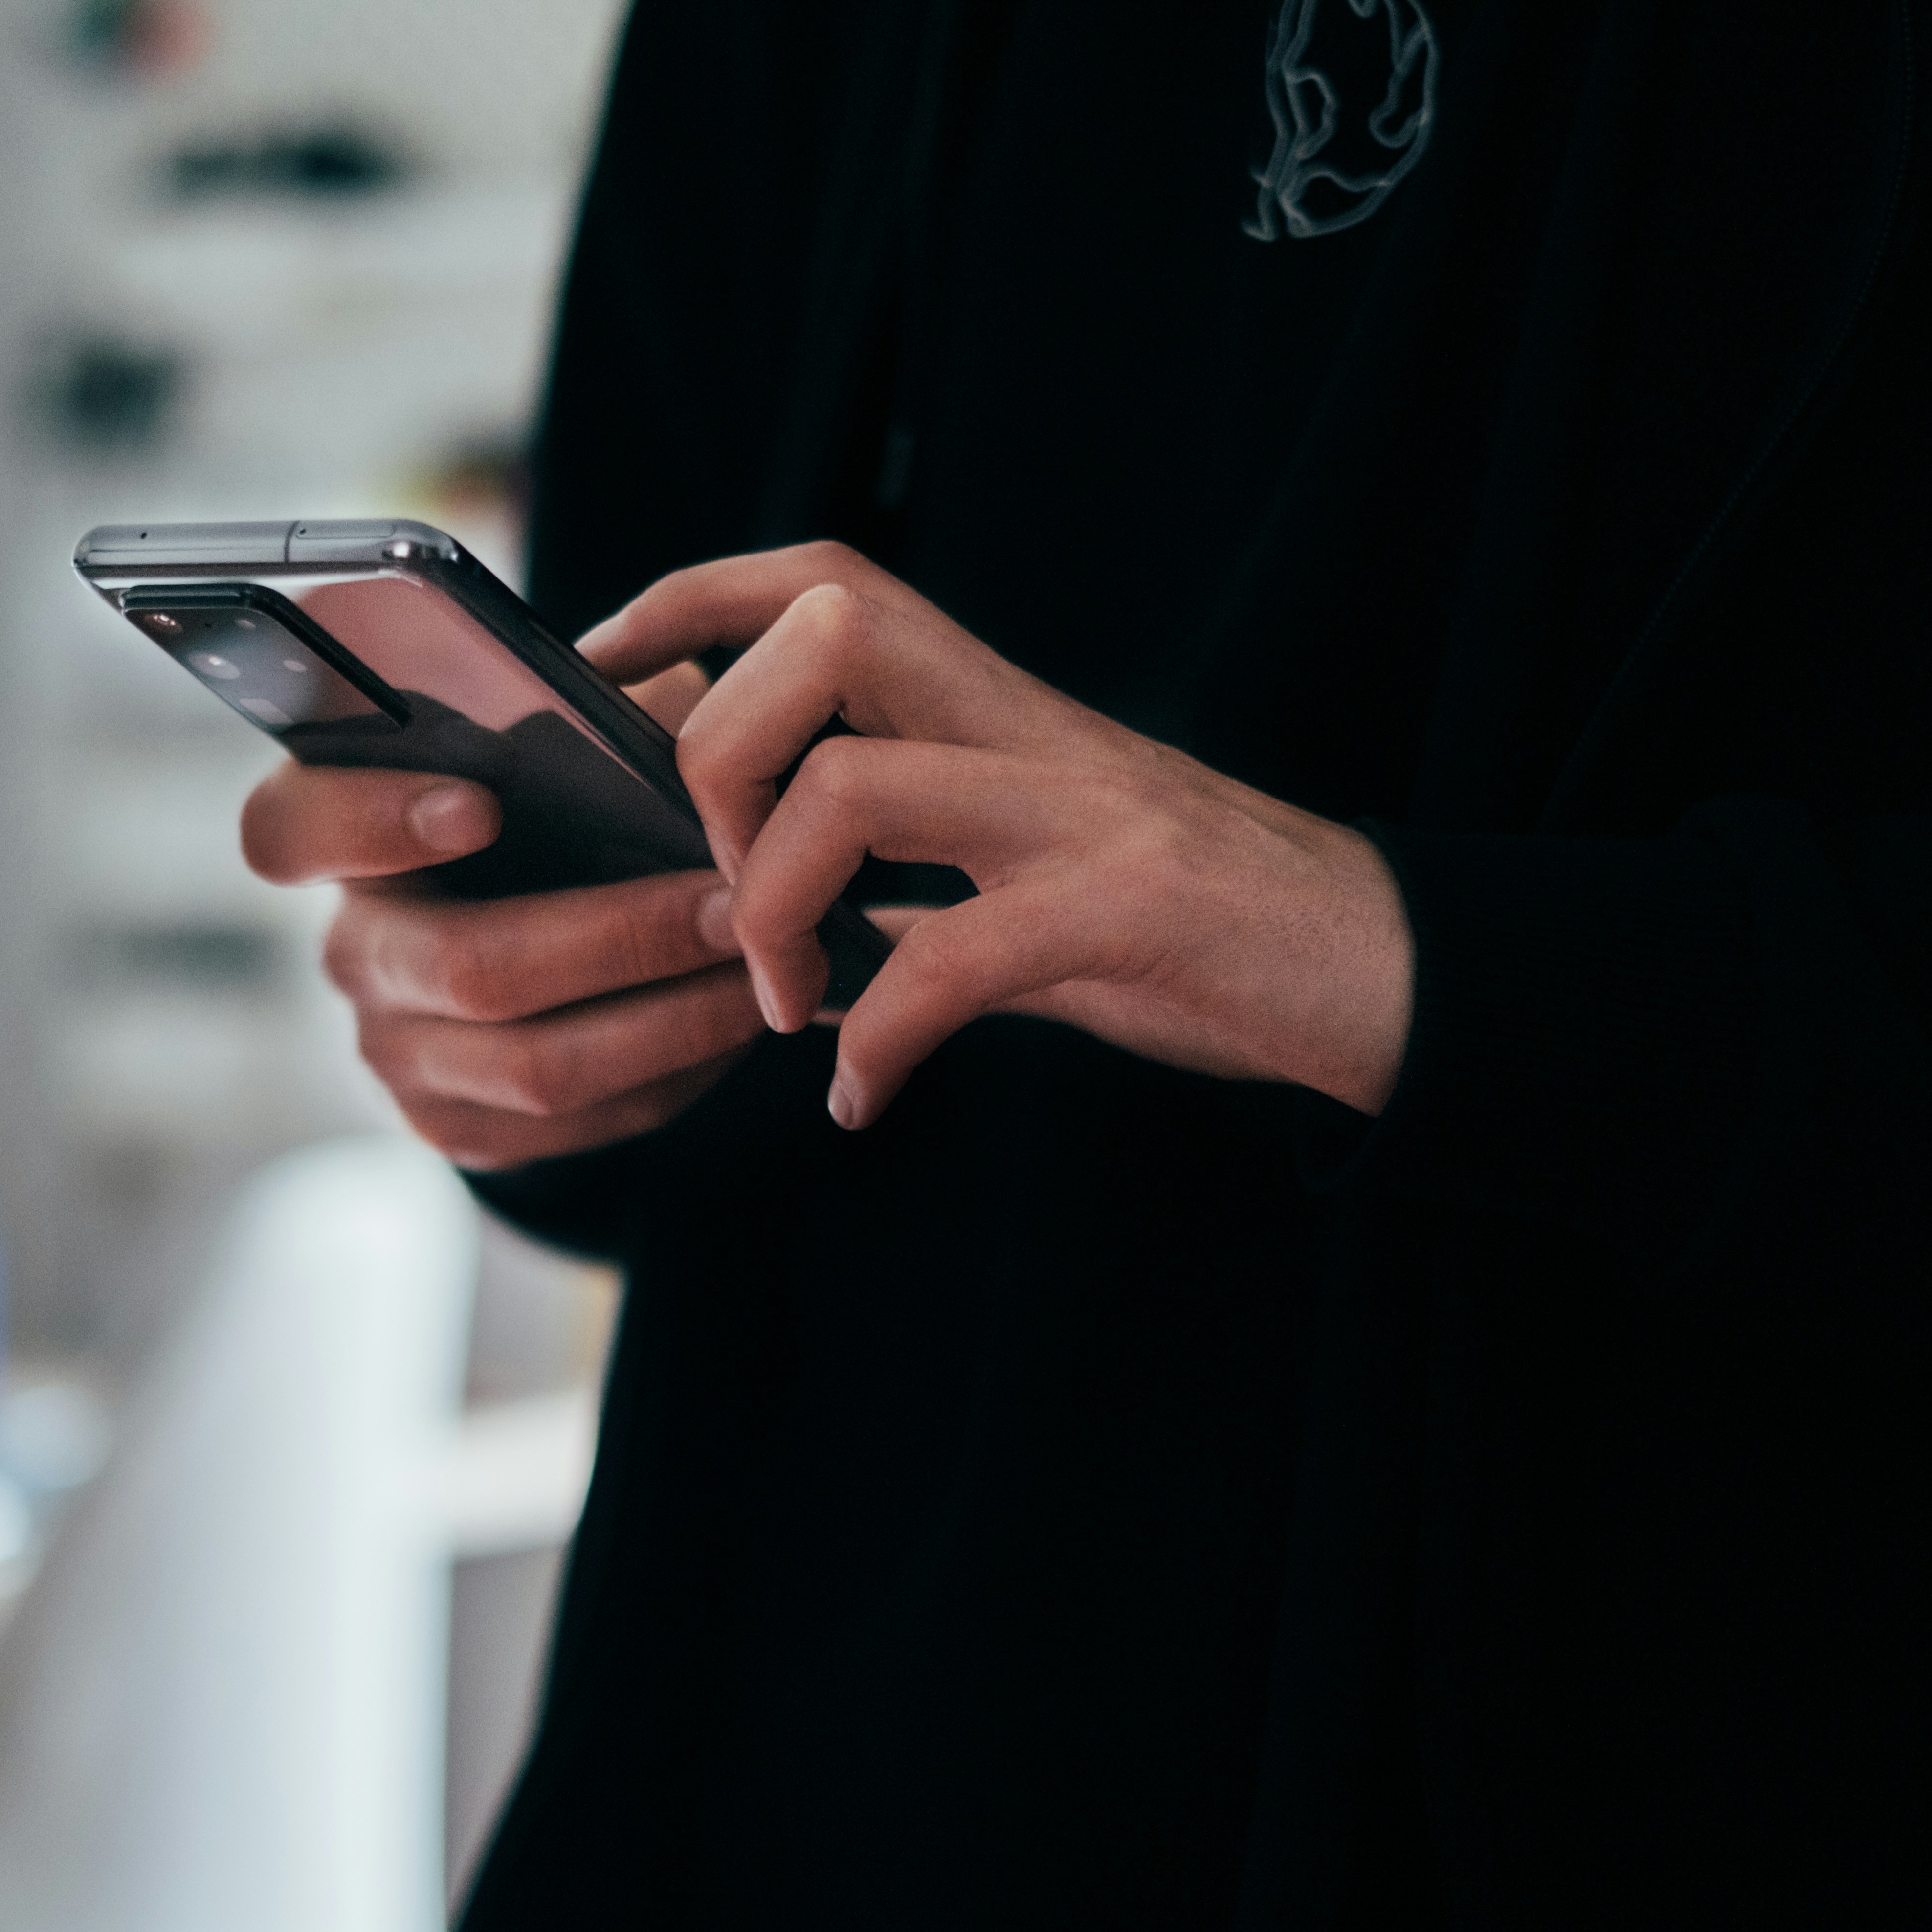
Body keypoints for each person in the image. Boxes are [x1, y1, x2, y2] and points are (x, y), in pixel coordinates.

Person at [240, 2, 1931, 1924]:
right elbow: (683, 1010)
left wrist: (1372, 947)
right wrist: (526, 1033)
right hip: (790, 1766)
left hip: (1667, 1746)